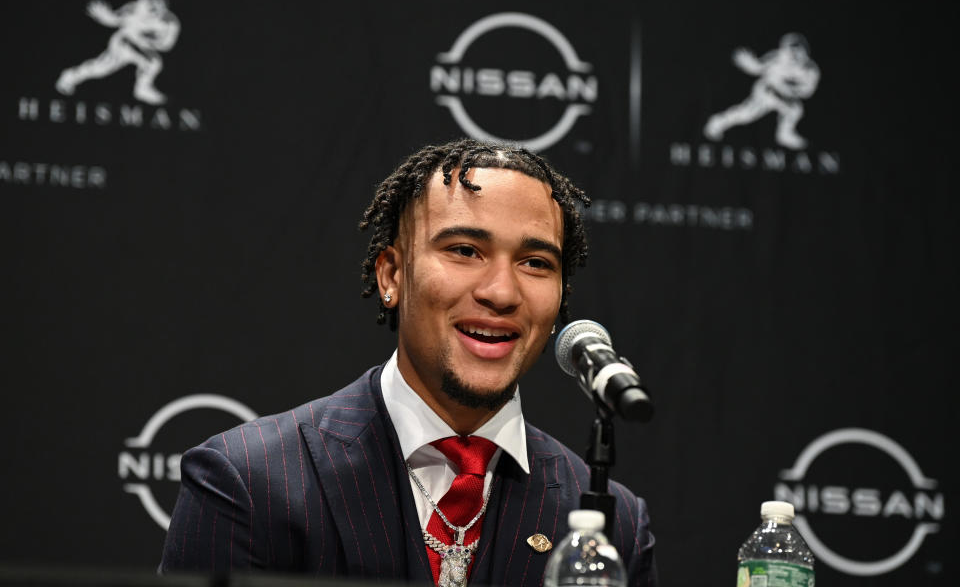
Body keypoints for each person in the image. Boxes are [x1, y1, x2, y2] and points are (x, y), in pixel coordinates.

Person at [160, 139, 657, 586]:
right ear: (392, 275)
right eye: (465, 250)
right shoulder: (248, 481)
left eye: (535, 263)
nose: (502, 292)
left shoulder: (619, 530)